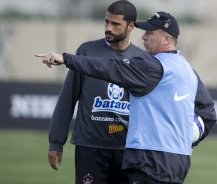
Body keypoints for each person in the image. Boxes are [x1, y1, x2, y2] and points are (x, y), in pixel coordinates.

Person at [36, 11, 217, 184]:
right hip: (178, 162)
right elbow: (208, 113)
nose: (144, 37)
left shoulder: (151, 65)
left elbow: (110, 67)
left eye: (150, 33)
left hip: (150, 161)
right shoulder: (188, 70)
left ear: (167, 39)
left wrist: (66, 59)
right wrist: (190, 136)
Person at [45, 1, 144, 184]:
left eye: (115, 24)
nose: (108, 28)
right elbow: (68, 98)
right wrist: (56, 141)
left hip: (129, 150)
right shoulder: (86, 51)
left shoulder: (142, 59)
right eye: (106, 22)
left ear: (130, 26)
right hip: (89, 148)